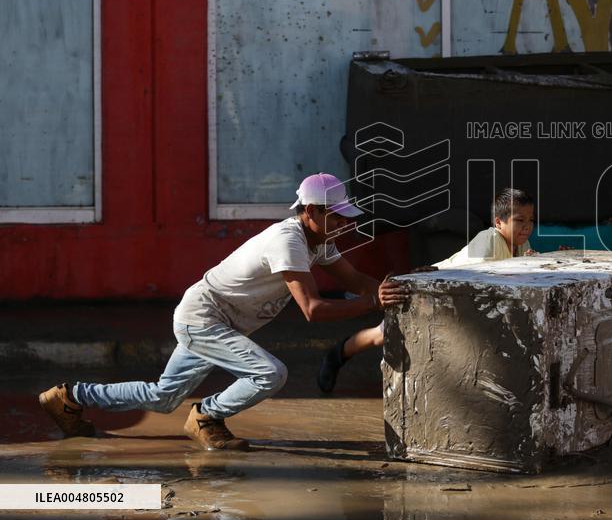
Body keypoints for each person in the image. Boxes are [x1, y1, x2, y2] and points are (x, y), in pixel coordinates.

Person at [38, 173, 408, 451]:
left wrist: (398, 286)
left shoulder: (318, 240)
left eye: (345, 216)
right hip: (204, 319)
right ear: (311, 211)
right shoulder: (289, 241)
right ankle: (207, 416)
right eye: (337, 216)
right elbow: (312, 310)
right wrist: (373, 302)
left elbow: (357, 279)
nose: (345, 223)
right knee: (269, 373)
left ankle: (70, 397)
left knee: (163, 397)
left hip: (216, 319)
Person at [316, 187, 535, 394]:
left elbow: (525, 265)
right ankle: (337, 354)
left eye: (530, 221)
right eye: (519, 220)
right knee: (381, 335)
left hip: (452, 300)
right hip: (428, 291)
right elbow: (463, 276)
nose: (527, 226)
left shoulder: (519, 243)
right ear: (499, 222)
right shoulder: (489, 243)